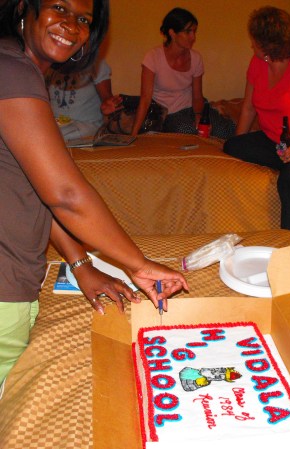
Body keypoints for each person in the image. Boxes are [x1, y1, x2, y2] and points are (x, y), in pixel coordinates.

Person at [0, 0, 188, 389]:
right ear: (23, 7)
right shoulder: (13, 71)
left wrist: (81, 265)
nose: (71, 25)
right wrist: (139, 265)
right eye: (59, 7)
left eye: (83, 18)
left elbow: (33, 188)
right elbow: (64, 194)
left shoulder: (16, 69)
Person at [223, 6, 290, 231]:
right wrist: (239, 142)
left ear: (267, 44)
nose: (252, 45)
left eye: (255, 41)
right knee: (231, 145)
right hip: (279, 141)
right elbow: (249, 109)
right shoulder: (257, 64)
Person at [131, 7, 235, 139]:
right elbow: (145, 99)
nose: (193, 37)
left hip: (192, 109)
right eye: (188, 32)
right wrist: (133, 134)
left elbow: (197, 96)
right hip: (169, 114)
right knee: (186, 131)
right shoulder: (153, 57)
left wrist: (198, 116)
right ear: (172, 33)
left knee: (224, 130)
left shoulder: (196, 58)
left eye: (194, 32)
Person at [46, 57, 122, 140]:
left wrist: (107, 106)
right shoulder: (51, 64)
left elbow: (107, 98)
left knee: (51, 137)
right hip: (57, 123)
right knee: (36, 131)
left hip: (87, 124)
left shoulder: (96, 63)